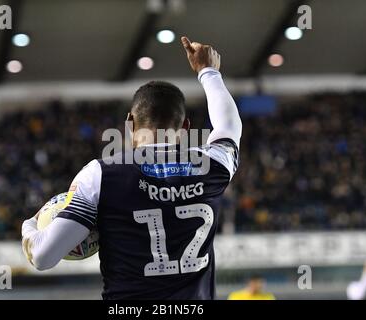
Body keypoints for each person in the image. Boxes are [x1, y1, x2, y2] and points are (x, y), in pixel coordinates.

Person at [21, 36, 242, 299]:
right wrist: (208, 72)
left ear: (129, 123)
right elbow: (228, 127)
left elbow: (43, 257)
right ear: (185, 128)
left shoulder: (101, 175)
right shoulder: (214, 165)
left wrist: (30, 224)